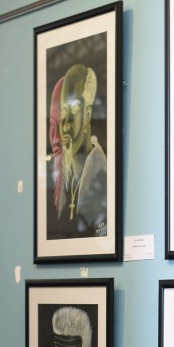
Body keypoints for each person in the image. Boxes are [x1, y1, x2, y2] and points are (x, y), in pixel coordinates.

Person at [53, 65, 107, 238]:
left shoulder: (101, 170)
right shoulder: (65, 172)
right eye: (63, 115)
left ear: (88, 114)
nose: (66, 125)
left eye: (74, 112)